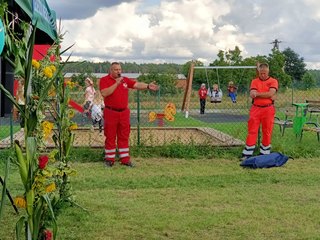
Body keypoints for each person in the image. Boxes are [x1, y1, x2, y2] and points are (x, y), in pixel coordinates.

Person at [100, 62, 159, 167]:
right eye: (116, 70)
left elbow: (136, 85)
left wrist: (147, 86)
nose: (118, 71)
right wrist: (116, 83)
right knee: (110, 136)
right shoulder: (104, 80)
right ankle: (109, 160)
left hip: (124, 113)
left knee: (124, 136)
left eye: (120, 69)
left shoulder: (125, 80)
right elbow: (104, 93)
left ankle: (125, 160)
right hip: (110, 112)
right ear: (111, 70)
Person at [241, 63, 278, 160]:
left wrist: (258, 94)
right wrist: (266, 94)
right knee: (252, 130)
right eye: (261, 73)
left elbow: (271, 93)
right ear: (259, 72)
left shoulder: (273, 81)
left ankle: (265, 154)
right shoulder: (254, 81)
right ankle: (247, 154)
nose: (263, 75)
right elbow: (252, 94)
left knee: (267, 131)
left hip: (268, 109)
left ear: (268, 71)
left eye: (265, 73)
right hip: (256, 108)